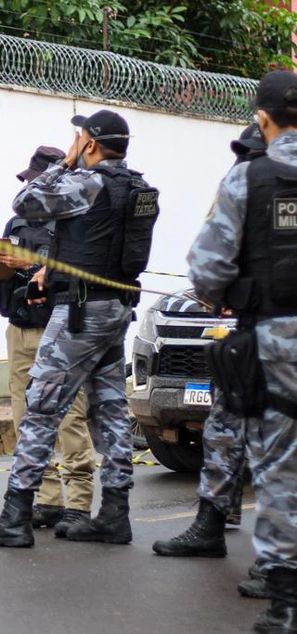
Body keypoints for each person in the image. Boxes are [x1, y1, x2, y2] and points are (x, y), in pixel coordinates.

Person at [0, 109, 158, 548]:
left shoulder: (87, 182)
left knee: (40, 407)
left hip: (79, 314)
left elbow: (26, 201)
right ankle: (114, 513)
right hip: (114, 311)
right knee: (111, 412)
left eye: (79, 139)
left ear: (90, 143)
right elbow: (100, 244)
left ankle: (16, 515)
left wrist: (66, 160)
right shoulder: (138, 188)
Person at [183, 70, 297, 634]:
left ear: (263, 118)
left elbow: (207, 271)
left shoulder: (248, 178)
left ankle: (286, 601)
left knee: (278, 467)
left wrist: (225, 292)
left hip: (276, 345)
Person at [151, 123, 270, 603]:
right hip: (245, 331)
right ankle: (211, 523)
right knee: (224, 426)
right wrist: (220, 295)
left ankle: (280, 559)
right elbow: (214, 255)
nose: (245, 162)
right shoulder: (242, 183)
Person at [0, 146, 95, 536]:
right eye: (26, 181)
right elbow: (0, 278)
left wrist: (33, 266)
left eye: (33, 179)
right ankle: (48, 501)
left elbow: (77, 278)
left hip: (61, 331)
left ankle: (79, 505)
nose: (28, 187)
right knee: (25, 418)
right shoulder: (14, 224)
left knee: (69, 418)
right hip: (18, 328)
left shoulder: (76, 224)